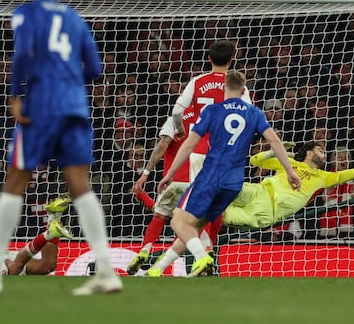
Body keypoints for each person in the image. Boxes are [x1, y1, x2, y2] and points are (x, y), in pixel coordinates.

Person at [0, 0, 122, 296]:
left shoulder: (25, 15)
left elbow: (22, 56)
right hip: (74, 108)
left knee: (15, 182)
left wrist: (16, 94)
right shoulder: (75, 19)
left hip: (41, 107)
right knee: (81, 189)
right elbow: (97, 68)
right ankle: (106, 272)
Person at [147, 71, 301, 277]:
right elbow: (274, 141)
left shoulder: (213, 111)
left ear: (224, 87)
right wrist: (290, 171)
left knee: (178, 222)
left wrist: (170, 173)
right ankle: (157, 269)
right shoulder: (254, 112)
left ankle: (203, 258)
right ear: (244, 89)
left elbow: (189, 144)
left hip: (211, 177)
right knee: (194, 226)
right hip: (234, 183)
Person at [170, 39, 251, 258]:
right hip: (227, 154)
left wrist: (180, 129)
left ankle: (204, 251)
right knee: (218, 207)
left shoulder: (197, 81)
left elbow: (177, 111)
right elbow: (248, 114)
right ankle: (208, 249)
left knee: (199, 206)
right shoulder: (237, 84)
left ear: (209, 59)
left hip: (200, 151)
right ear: (232, 59)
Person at [221, 141, 354, 232]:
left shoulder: (323, 177)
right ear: (309, 152)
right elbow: (255, 161)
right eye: (321, 151)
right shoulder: (289, 162)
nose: (325, 155)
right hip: (257, 192)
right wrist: (275, 151)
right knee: (220, 188)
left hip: (265, 213)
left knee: (215, 216)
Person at [126, 106, 197, 275]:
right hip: (197, 182)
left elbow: (163, 144)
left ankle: (145, 249)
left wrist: (145, 174)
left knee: (159, 216)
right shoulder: (207, 118)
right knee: (189, 227)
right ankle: (166, 261)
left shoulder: (175, 119)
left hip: (173, 181)